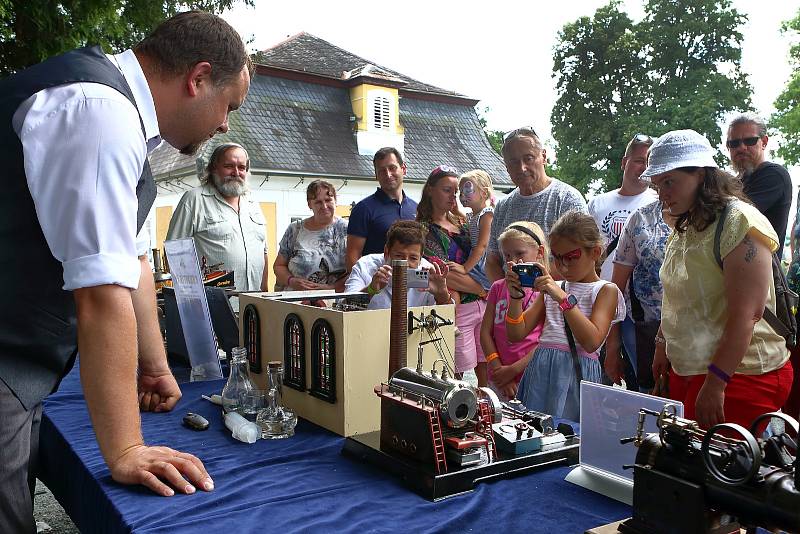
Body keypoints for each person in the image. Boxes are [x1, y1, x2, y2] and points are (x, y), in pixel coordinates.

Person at [0, 10, 251, 530]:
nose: (226, 124)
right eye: (229, 105)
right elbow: (100, 294)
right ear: (198, 78)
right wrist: (127, 448)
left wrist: (155, 366)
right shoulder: (99, 110)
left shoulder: (123, 123)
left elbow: (133, 262)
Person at [646, 129, 793, 429]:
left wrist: (716, 383)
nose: (662, 194)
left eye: (669, 182)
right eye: (657, 185)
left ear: (701, 174)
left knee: (717, 471)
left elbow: (747, 315)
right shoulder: (685, 224)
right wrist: (663, 345)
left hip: (741, 374)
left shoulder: (738, 221)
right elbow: (677, 295)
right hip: (692, 369)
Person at [507, 211, 626, 420]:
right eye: (557, 258)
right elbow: (516, 333)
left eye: (571, 257)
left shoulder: (605, 290)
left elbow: (591, 341)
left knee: (570, 436)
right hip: (541, 369)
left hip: (575, 373)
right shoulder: (556, 287)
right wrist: (515, 298)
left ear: (595, 252)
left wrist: (562, 297)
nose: (563, 266)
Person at [589, 133, 657, 389]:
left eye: (650, 161)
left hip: (641, 312)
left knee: (642, 381)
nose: (645, 167)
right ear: (624, 162)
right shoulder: (598, 203)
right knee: (601, 380)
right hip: (601, 304)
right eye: (639, 160)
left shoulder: (660, 201)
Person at [486, 127, 588, 283]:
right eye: (513, 162)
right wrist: (507, 293)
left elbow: (580, 256)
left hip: (557, 298)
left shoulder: (568, 198)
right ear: (506, 167)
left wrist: (531, 285)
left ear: (544, 157)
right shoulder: (503, 206)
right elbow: (492, 260)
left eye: (528, 158)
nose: (522, 168)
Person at [166, 142, 268, 292]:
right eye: (229, 166)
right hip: (213, 306)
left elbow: (264, 252)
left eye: (241, 167)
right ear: (213, 168)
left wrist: (265, 294)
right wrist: (193, 296)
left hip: (252, 307)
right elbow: (174, 254)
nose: (236, 172)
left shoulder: (253, 203)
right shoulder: (194, 199)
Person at [417, 166, 487, 378]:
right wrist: (484, 289)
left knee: (486, 367)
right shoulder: (423, 229)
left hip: (483, 305)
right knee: (454, 369)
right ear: (430, 190)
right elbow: (444, 272)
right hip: (458, 308)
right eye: (447, 190)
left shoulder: (462, 221)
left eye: (456, 192)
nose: (453, 196)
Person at [605, 200, 674, 392]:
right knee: (652, 399)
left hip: (696, 333)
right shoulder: (640, 218)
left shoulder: (709, 216)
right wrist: (612, 347)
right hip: (644, 330)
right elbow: (615, 290)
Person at [479, 222, 547, 400]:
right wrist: (497, 369)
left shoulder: (546, 292)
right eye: (507, 255)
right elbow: (485, 332)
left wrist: (513, 371)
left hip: (530, 375)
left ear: (539, 252)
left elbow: (546, 340)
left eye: (520, 253)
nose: (513, 261)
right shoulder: (497, 287)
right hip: (499, 377)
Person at [727, 113, 792, 258]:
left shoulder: (774, 175)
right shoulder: (734, 183)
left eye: (750, 140)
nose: (742, 147)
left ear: (764, 142)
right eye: (734, 143)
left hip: (762, 275)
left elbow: (734, 218)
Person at [344, 220, 450, 309]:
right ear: (386, 252)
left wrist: (442, 294)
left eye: (413, 258)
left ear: (421, 257)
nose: (405, 264)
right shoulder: (366, 266)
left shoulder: (428, 272)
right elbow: (344, 307)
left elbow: (450, 324)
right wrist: (371, 290)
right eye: (399, 256)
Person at [345, 147, 418, 270]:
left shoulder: (416, 208)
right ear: (376, 175)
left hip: (412, 285)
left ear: (403, 169)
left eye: (392, 168)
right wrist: (368, 287)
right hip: (376, 284)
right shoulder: (363, 209)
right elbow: (352, 256)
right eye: (382, 171)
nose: (388, 174)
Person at [274, 180, 348, 292]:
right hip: (295, 303)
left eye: (328, 200)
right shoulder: (295, 230)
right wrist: (292, 281)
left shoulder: (348, 230)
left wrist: (331, 288)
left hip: (332, 303)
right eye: (318, 202)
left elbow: (357, 271)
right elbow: (279, 266)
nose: (324, 206)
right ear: (309, 204)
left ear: (336, 201)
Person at [456, 169, 495, 385]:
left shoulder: (487, 214)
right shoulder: (471, 216)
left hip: (482, 267)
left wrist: (465, 268)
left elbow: (480, 247)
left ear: (484, 192)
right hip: (477, 266)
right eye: (460, 192)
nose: (463, 196)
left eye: (468, 190)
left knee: (452, 273)